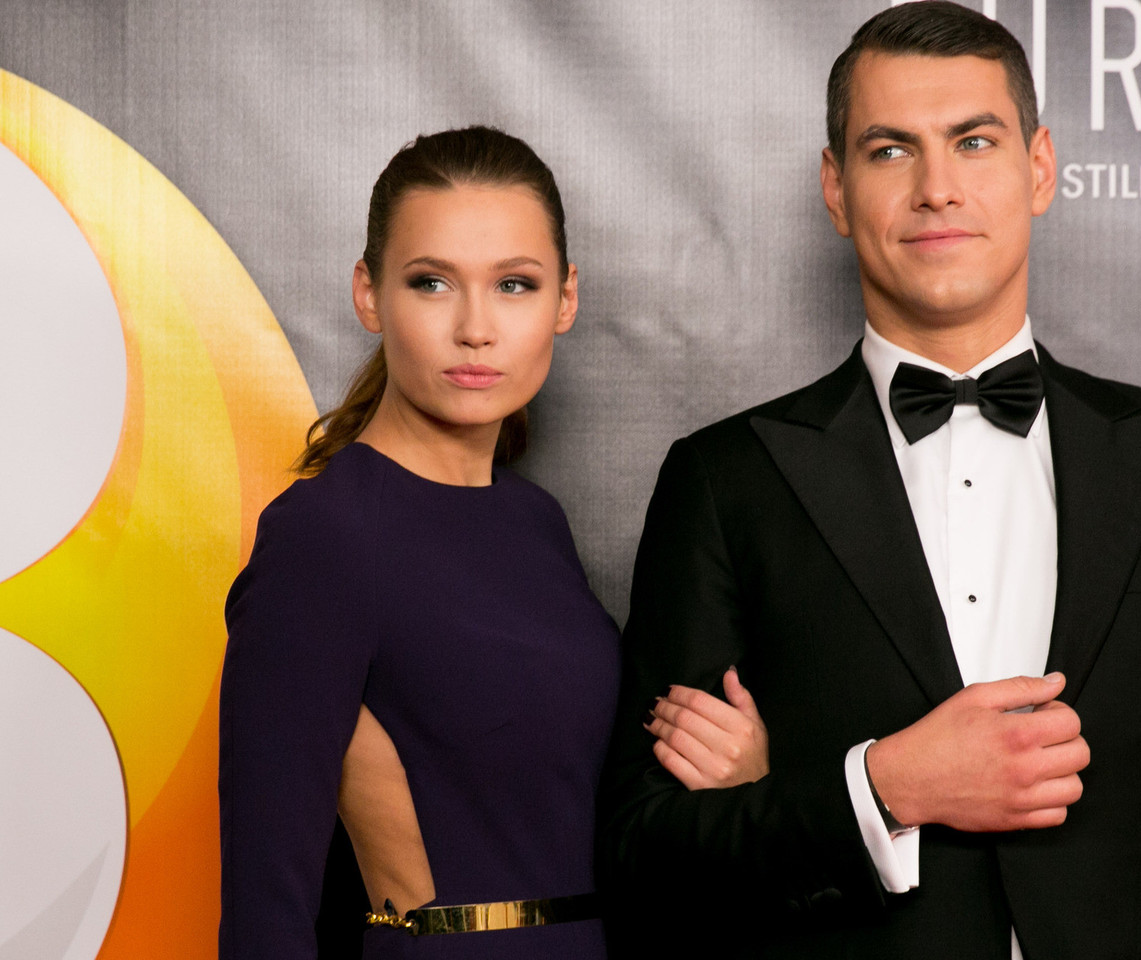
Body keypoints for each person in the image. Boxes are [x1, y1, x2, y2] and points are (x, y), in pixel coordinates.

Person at [601, 4, 1141, 958]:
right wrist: (883, 787)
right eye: (890, 150)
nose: (936, 188)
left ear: (1039, 168)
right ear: (835, 189)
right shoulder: (726, 482)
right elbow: (646, 859)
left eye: (973, 142)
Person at [218, 126, 767, 960]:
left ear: (565, 299)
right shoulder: (325, 534)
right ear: (369, 294)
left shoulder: (536, 521)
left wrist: (740, 778)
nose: (476, 328)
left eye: (514, 284)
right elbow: (267, 911)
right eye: (431, 283)